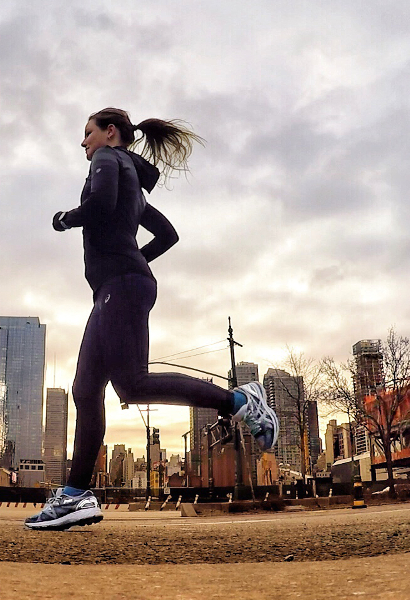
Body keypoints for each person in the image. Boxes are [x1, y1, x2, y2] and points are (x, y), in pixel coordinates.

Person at [24, 108, 278, 531]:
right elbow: (169, 234)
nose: (82, 143)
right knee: (86, 390)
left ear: (110, 133)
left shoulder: (108, 160)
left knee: (132, 384)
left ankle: (239, 401)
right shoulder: (134, 186)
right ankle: (74, 497)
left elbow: (100, 204)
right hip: (115, 288)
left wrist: (66, 219)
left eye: (87, 133)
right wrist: (134, 260)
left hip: (120, 288)